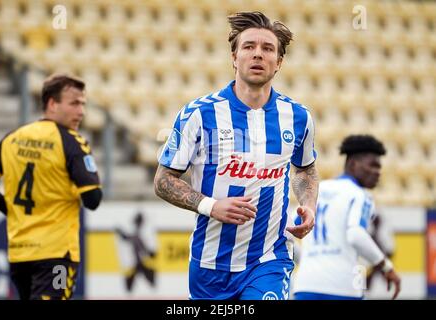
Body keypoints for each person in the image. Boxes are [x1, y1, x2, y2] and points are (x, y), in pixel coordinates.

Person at [154, 11, 319, 300]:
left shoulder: (298, 117)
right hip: (210, 265)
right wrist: (210, 205)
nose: (258, 54)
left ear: (279, 63)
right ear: (234, 57)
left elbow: (305, 169)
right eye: (249, 47)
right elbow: (163, 180)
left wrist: (308, 204)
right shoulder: (198, 114)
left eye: (268, 49)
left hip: (269, 259)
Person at [0, 74, 102, 300]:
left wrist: (9, 209)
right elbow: (93, 199)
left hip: (20, 253)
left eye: (83, 104)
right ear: (52, 103)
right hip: (56, 253)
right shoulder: (72, 142)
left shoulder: (14, 137)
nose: (81, 112)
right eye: (74, 103)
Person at [293, 134, 401, 300]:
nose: (378, 172)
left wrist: (307, 260)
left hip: (305, 285)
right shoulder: (359, 194)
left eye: (379, 167)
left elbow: (288, 232)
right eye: (373, 165)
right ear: (352, 163)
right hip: (342, 287)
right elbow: (356, 235)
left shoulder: (316, 192)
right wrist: (387, 267)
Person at [116, 212, 157, 292]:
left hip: (141, 262)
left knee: (150, 280)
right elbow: (127, 237)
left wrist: (150, 253)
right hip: (137, 263)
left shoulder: (139, 235)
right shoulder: (136, 235)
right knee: (130, 284)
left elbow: (145, 249)